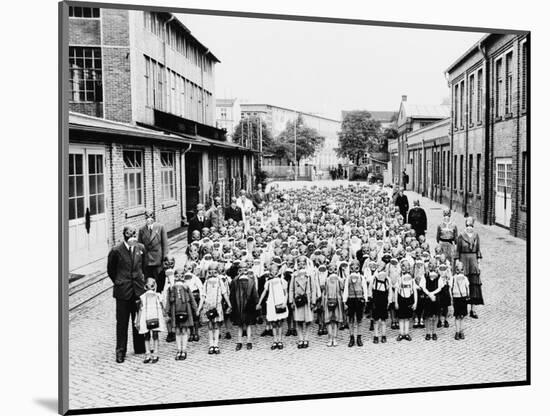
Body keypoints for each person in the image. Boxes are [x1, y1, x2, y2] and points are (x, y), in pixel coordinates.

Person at [106, 225, 147, 363]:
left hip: (138, 290)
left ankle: (140, 347)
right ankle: (120, 351)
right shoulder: (116, 250)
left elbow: (144, 267)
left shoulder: (140, 248)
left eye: (133, 233)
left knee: (138, 320)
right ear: (123, 234)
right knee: (122, 323)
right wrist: (119, 281)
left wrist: (142, 283)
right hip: (123, 292)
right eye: (128, 233)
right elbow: (111, 270)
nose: (131, 236)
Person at [198, 263, 231, 354]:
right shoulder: (206, 282)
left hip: (217, 306)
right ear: (208, 272)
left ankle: (216, 344)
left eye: (215, 272)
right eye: (210, 272)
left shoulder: (220, 281)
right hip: (208, 306)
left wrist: (229, 304)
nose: (212, 274)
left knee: (216, 325)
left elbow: (224, 293)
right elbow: (203, 296)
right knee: (210, 326)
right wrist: (199, 308)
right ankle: (210, 344)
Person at [166, 268, 198, 360]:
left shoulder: (186, 287)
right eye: (176, 276)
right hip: (175, 311)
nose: (179, 278)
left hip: (185, 310)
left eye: (181, 276)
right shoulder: (171, 288)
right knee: (177, 331)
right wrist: (167, 312)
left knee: (184, 330)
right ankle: (178, 350)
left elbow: (192, 299)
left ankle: (184, 350)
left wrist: (196, 309)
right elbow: (168, 301)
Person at [455, 217, 483, 319]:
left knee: (473, 285)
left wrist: (479, 263)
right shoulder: (461, 236)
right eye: (467, 226)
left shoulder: (476, 236)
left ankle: (473, 309)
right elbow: (457, 251)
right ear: (465, 226)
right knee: (463, 284)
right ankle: (463, 309)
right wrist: (457, 262)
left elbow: (478, 250)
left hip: (473, 261)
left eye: (471, 226)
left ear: (473, 226)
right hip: (464, 260)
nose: (469, 228)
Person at [257, 265, 289, 350]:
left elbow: (286, 293)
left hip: (280, 302)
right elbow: (264, 292)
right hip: (271, 303)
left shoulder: (282, 281)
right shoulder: (268, 282)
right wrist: (259, 303)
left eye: (276, 270)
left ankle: (280, 340)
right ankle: (275, 341)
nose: (274, 272)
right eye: (272, 270)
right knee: (274, 323)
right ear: (270, 272)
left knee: (280, 322)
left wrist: (285, 302)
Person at [136, 278, 167, 364]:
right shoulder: (143, 297)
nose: (151, 289)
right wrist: (138, 321)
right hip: (146, 318)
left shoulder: (158, 296)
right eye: (148, 286)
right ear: (145, 287)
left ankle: (156, 353)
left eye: (152, 286)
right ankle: (148, 353)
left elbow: (162, 306)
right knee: (146, 335)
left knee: (155, 334)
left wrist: (165, 314)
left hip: (155, 317)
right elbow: (140, 309)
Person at [138, 210, 169, 292]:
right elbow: (140, 246)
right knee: (148, 280)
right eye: (147, 216)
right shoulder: (141, 230)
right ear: (145, 218)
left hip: (158, 259)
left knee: (160, 278)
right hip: (147, 260)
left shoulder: (160, 227)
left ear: (154, 217)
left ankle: (159, 294)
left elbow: (165, 243)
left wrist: (164, 257)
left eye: (151, 216)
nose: (149, 218)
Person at [230, 264, 259, 350]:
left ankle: (249, 341)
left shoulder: (251, 281)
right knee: (240, 324)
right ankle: (239, 342)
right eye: (241, 270)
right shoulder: (236, 281)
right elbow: (232, 292)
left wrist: (256, 304)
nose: (243, 272)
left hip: (248, 305)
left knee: (248, 324)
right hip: (239, 306)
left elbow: (255, 294)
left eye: (244, 270)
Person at [342, 260, 368, 347]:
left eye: (356, 268)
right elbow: (346, 290)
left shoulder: (361, 278)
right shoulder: (348, 278)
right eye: (352, 268)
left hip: (359, 300)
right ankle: (351, 337)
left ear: (359, 268)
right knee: (351, 319)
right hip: (351, 300)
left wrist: (365, 299)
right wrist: (344, 301)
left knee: (359, 319)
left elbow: (365, 289)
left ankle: (359, 337)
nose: (354, 270)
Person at [450, 261, 470, 340]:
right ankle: (457, 332)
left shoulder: (465, 278)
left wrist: (468, 296)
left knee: (462, 316)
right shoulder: (453, 278)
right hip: (456, 297)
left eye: (462, 269)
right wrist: (451, 297)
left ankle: (462, 331)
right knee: (457, 316)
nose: (460, 271)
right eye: (458, 269)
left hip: (463, 297)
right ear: (456, 270)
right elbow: (450, 288)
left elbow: (467, 287)